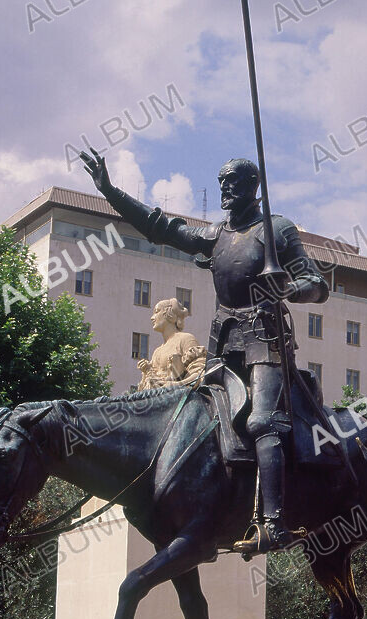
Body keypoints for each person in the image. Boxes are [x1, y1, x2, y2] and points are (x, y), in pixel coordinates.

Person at [80, 150, 329, 553]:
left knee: (264, 421)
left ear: (253, 188)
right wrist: (110, 190)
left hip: (265, 340)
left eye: (234, 183)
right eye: (222, 183)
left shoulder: (276, 230)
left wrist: (290, 289)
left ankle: (273, 523)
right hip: (223, 344)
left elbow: (318, 283)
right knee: (188, 416)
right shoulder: (215, 236)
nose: (226, 190)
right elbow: (159, 226)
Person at [136, 298, 207, 390]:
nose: (152, 317)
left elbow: (199, 374)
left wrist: (176, 385)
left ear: (170, 314)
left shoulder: (186, 339)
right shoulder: (157, 351)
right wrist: (147, 371)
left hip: (180, 398)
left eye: (157, 312)